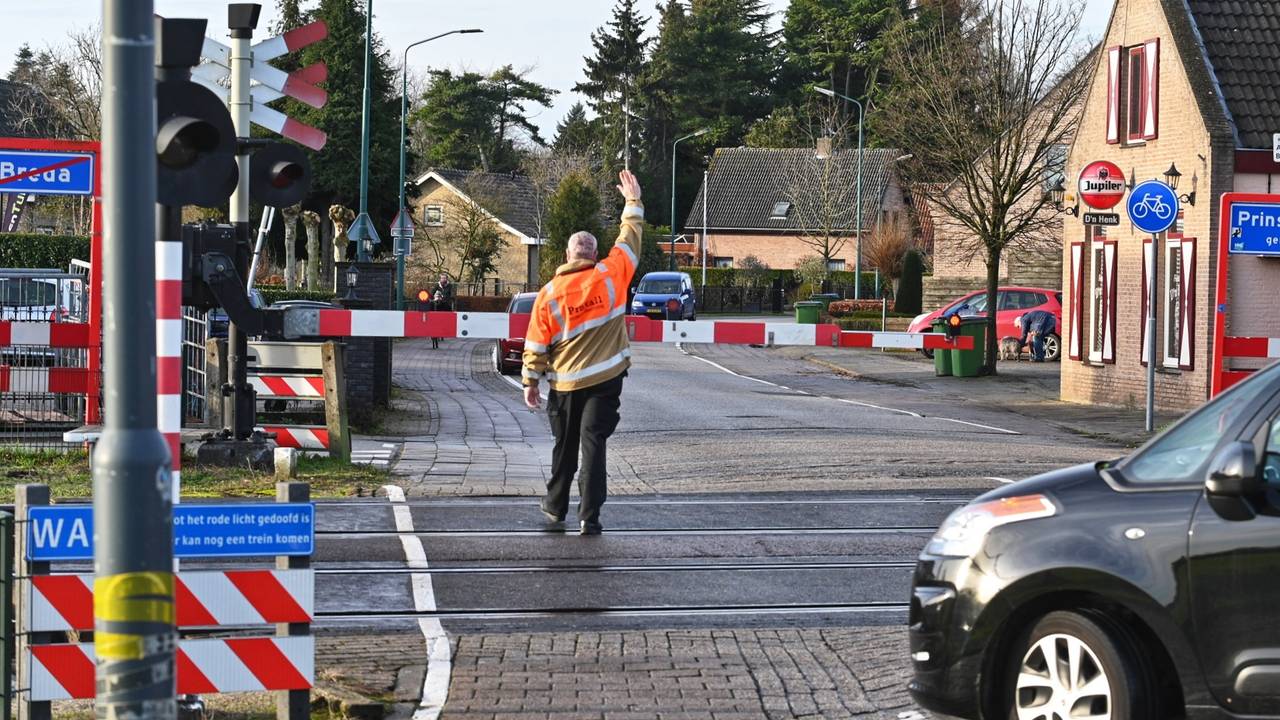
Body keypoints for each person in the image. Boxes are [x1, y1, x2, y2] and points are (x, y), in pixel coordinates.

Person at [522, 170, 644, 535]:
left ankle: (555, 507)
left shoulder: (549, 293)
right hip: (606, 381)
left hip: (565, 384)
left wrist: (530, 381)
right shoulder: (611, 274)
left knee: (565, 444)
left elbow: (536, 342)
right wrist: (632, 202)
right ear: (592, 254)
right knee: (594, 446)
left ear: (567, 254)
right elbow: (630, 238)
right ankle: (590, 516)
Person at [429, 273, 454, 349]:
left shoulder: (450, 286)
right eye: (442, 278)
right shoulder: (437, 285)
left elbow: (452, 295)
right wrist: (432, 298)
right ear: (440, 279)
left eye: (444, 278)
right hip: (438, 304)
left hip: (446, 304)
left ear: (447, 279)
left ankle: (443, 330)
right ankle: (434, 332)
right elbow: (431, 293)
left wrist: (446, 298)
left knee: (447, 314)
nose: (443, 280)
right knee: (433, 310)